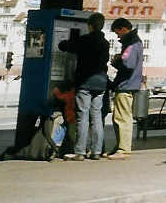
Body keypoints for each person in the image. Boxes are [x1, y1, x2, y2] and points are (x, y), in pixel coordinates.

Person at [57, 12, 109, 161]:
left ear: (90, 26)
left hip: (85, 83)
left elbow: (63, 46)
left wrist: (67, 40)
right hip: (101, 83)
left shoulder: (84, 40)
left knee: (83, 117)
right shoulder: (105, 43)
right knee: (97, 117)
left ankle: (80, 152)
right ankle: (96, 151)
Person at [108, 17, 143, 160]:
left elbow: (128, 64)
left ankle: (123, 149)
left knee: (122, 118)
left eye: (117, 33)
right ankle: (120, 146)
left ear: (123, 29)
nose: (118, 37)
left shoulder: (132, 43)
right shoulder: (134, 42)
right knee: (119, 117)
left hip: (126, 84)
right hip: (128, 84)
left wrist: (118, 60)